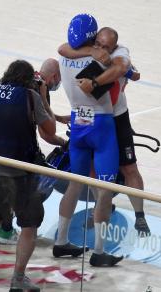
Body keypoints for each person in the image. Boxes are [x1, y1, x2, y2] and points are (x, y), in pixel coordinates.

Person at [53, 14, 129, 267]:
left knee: (75, 184)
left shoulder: (66, 56)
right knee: (104, 191)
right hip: (102, 126)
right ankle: (99, 251)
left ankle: (61, 240)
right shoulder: (104, 57)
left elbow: (63, 47)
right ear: (95, 37)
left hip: (78, 122)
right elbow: (120, 68)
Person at [59, 27, 150, 236]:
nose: (100, 48)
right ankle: (103, 205)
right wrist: (92, 52)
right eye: (97, 43)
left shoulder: (120, 53)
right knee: (91, 169)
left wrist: (96, 82)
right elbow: (63, 49)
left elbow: (126, 71)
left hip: (116, 118)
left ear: (114, 47)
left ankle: (140, 216)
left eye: (105, 46)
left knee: (129, 168)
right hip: (90, 116)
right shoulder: (90, 49)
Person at [0, 60, 56, 290]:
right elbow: (49, 131)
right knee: (29, 225)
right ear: (28, 79)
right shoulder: (30, 97)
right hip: (22, 173)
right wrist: (42, 96)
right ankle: (18, 278)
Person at [0, 58, 70, 245]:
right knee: (45, 178)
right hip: (16, 151)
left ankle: (3, 226)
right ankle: (8, 226)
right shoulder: (39, 89)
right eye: (59, 78)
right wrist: (63, 142)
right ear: (54, 76)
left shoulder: (14, 80)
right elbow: (47, 133)